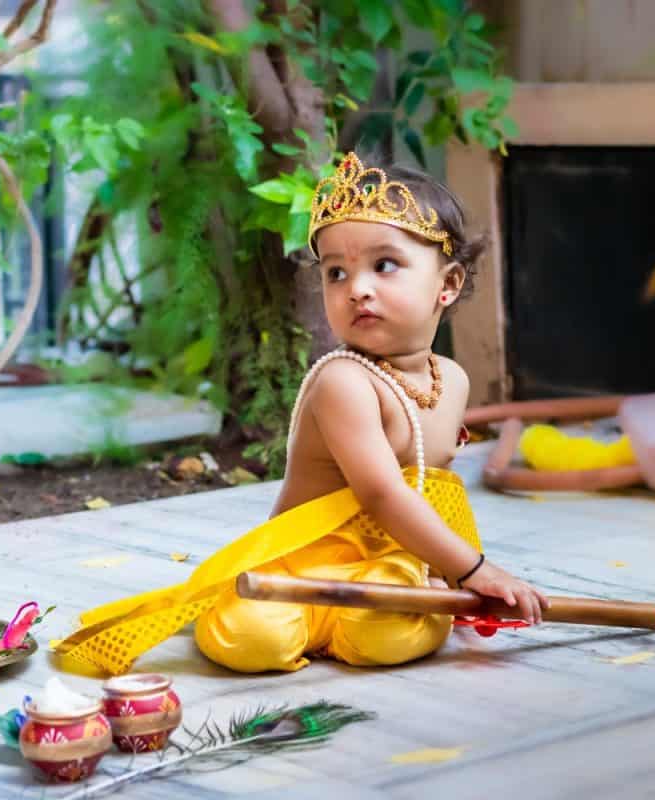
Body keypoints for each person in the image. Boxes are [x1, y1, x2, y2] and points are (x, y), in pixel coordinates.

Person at [55, 152, 549, 676]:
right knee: (253, 638)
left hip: (382, 566)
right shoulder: (344, 381)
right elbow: (383, 493)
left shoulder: (451, 379)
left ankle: (354, 624)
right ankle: (298, 622)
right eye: (337, 272)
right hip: (301, 562)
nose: (356, 287)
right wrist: (473, 570)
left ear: (446, 285)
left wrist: (450, 576)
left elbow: (437, 491)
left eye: (384, 265)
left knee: (391, 629)